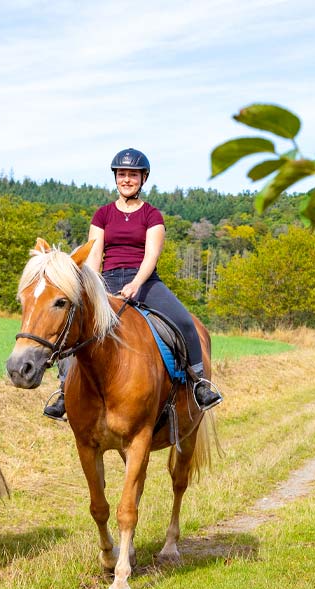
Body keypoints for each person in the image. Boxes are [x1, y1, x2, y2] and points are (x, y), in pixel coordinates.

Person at [43, 148, 222, 418]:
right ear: (116, 178)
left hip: (146, 282)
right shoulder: (102, 215)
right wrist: (96, 289)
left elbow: (151, 255)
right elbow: (93, 257)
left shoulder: (152, 215)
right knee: (76, 325)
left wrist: (137, 283)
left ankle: (200, 383)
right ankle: (64, 392)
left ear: (143, 178)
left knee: (185, 322)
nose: (127, 179)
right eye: (123, 174)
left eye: (133, 175)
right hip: (108, 281)